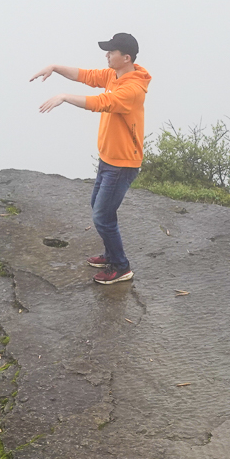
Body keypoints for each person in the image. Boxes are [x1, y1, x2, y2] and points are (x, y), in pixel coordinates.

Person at [30, 33, 152, 284]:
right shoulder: (114, 75)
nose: (106, 55)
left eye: (111, 52)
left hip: (122, 163)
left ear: (126, 57)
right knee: (99, 207)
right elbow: (86, 75)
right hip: (109, 158)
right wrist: (54, 67)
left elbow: (101, 103)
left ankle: (120, 267)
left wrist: (64, 97)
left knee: (102, 216)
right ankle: (111, 254)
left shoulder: (132, 89)